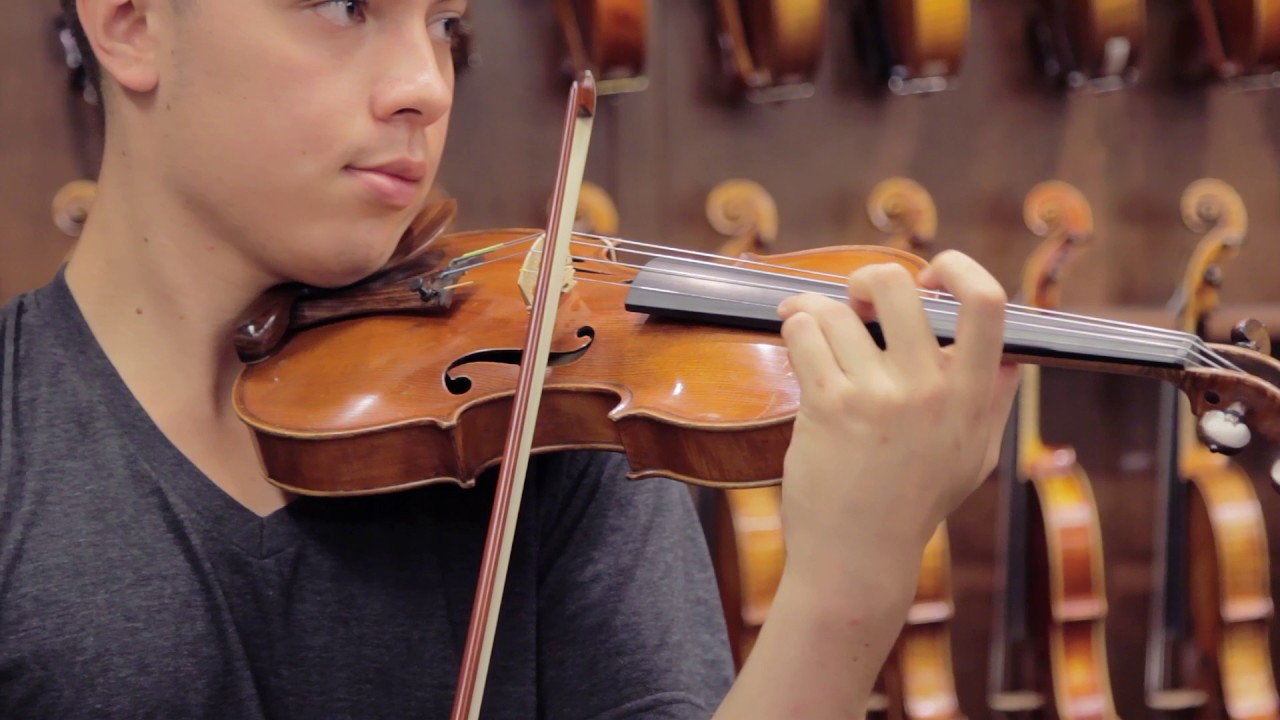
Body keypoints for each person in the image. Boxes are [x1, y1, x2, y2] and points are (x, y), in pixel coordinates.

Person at [0, 0, 1020, 718]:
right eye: (344, 5)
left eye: (444, 25)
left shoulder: (539, 411)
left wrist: (849, 585)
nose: (421, 86)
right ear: (131, 21)